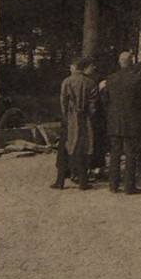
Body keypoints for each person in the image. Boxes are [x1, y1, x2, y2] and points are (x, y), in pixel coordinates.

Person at [104, 50, 141, 194]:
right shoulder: (137, 79)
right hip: (132, 121)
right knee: (130, 153)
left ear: (119, 62)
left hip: (114, 120)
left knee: (114, 153)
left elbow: (105, 100)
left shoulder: (111, 78)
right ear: (132, 62)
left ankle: (113, 184)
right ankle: (129, 186)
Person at [54, 57, 98, 190]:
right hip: (84, 120)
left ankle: (60, 181)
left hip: (69, 120)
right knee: (82, 149)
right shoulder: (91, 83)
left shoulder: (67, 81)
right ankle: (83, 182)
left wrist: (67, 115)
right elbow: (93, 106)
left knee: (64, 149)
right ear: (84, 68)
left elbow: (63, 102)